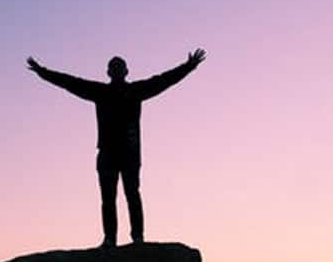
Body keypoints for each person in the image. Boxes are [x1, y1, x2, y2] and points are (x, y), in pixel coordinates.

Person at [27, 49, 206, 247]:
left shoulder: (135, 91)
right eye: (114, 67)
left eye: (119, 67)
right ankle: (110, 238)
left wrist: (188, 66)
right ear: (108, 72)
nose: (117, 70)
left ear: (126, 71)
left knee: (132, 195)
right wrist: (42, 71)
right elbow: (70, 82)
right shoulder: (101, 92)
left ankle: (137, 237)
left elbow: (164, 80)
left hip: (129, 153)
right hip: (108, 154)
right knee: (108, 199)